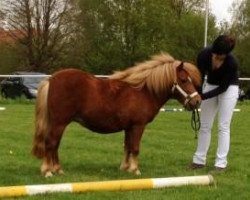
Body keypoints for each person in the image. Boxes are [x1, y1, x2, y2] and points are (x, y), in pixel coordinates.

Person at [191, 35, 239, 171]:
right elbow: (199, 76)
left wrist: (202, 96)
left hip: (229, 88)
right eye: (215, 56)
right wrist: (197, 94)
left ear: (226, 55)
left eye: (221, 57)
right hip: (210, 85)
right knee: (205, 125)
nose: (217, 60)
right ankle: (199, 161)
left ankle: (220, 164)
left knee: (223, 126)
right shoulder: (203, 55)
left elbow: (223, 88)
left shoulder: (232, 63)